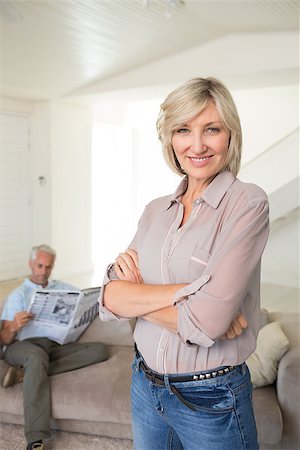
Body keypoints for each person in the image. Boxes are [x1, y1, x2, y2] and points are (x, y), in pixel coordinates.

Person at [99, 77, 269, 450]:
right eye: (183, 130)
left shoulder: (247, 204)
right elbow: (109, 299)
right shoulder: (155, 211)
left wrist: (139, 298)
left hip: (211, 397)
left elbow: (208, 322)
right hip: (145, 385)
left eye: (211, 129)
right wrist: (191, 295)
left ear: (230, 135)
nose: (197, 145)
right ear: (169, 139)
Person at [1, 244, 108, 450]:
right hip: (22, 347)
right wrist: (14, 325)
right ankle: (36, 438)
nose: (43, 272)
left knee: (99, 350)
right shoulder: (19, 295)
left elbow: (88, 299)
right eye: (39, 266)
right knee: (35, 357)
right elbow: (4, 338)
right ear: (31, 264)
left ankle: (25, 374)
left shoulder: (63, 287)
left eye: (48, 267)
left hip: (53, 345)